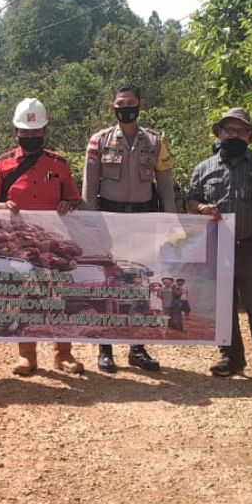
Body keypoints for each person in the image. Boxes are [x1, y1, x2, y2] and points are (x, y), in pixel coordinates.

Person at [187, 107, 252, 390]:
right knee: (223, 308)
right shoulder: (203, 169)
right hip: (217, 249)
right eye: (228, 130)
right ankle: (231, 358)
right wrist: (202, 208)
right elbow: (191, 203)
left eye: (239, 131)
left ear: (249, 136)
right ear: (219, 133)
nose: (233, 134)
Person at [0, 98, 84, 376]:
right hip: (18, 244)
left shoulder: (59, 163)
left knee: (60, 298)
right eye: (24, 132)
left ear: (44, 131)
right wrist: (3, 206)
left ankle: (63, 354)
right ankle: (27, 356)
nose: (30, 136)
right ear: (16, 132)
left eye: (35, 131)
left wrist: (68, 204)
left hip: (54, 245)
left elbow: (74, 198)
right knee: (25, 299)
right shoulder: (2, 163)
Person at [81, 83, 177, 373]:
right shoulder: (98, 141)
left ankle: (137, 348)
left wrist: (171, 223)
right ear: (113, 107)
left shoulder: (156, 142)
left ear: (140, 106)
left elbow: (166, 185)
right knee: (109, 283)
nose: (126, 108)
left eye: (131, 103)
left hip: (143, 220)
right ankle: (105, 348)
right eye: (120, 104)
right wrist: (89, 222)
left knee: (140, 285)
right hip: (109, 219)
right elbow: (89, 185)